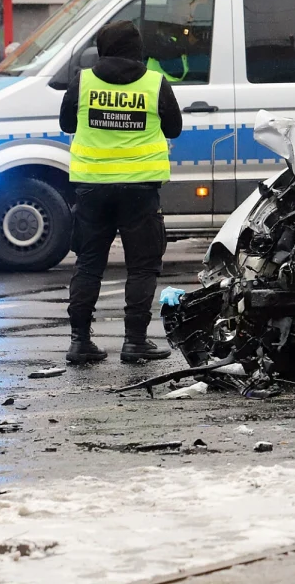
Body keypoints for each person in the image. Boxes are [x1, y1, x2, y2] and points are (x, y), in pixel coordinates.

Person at [60, 21, 182, 364]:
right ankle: (135, 342)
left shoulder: (82, 82)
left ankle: (80, 342)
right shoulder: (154, 83)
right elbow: (174, 127)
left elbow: (67, 124)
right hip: (140, 190)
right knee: (143, 268)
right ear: (136, 49)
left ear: (102, 49)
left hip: (91, 189)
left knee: (88, 265)